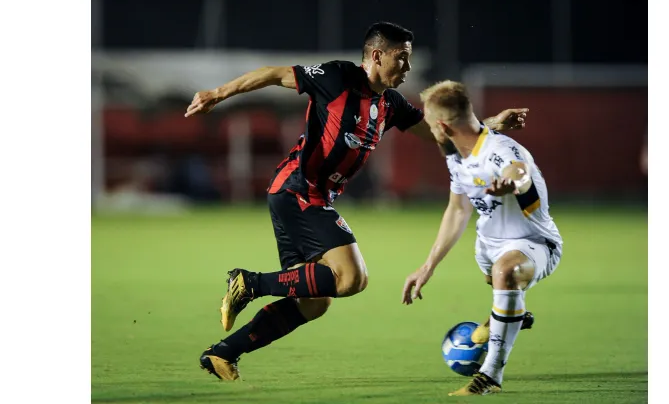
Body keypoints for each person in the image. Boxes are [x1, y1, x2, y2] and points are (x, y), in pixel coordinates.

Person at [185, 22, 528, 381]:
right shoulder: (336, 77)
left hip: (312, 196)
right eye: (402, 58)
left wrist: (492, 125)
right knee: (351, 278)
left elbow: (439, 134)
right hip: (298, 190)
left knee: (315, 302)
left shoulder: (391, 103)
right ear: (377, 55)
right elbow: (273, 74)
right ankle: (249, 283)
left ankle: (223, 353)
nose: (407, 68)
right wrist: (218, 93)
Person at [401, 80, 563, 396]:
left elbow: (519, 169)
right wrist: (427, 266)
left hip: (534, 242)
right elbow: (457, 210)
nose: (428, 129)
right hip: (487, 247)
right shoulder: (455, 153)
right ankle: (508, 318)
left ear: (442, 125)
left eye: (430, 122)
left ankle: (490, 376)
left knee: (507, 273)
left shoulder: (501, 151)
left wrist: (510, 182)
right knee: (501, 282)